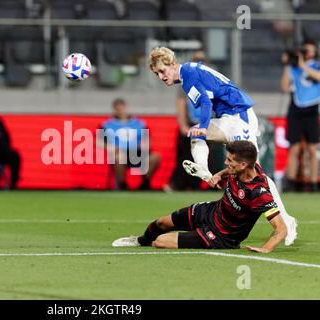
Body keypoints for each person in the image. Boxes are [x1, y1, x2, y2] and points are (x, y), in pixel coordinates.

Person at [148, 46, 298, 246]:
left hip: (240, 116)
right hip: (228, 117)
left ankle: (287, 222)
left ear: (172, 64)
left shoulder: (188, 74)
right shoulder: (188, 72)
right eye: (156, 73)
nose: (160, 76)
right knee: (195, 134)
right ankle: (204, 170)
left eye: (162, 71)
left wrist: (203, 126)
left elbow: (206, 103)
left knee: (254, 171)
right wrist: (201, 128)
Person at [112, 141, 287, 252]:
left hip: (221, 235)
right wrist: (219, 175)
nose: (226, 163)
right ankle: (140, 241)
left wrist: (265, 248)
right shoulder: (244, 166)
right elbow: (229, 170)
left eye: (230, 161)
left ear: (243, 165)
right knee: (161, 223)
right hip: (210, 211)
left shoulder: (258, 192)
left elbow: (281, 229)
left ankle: (158, 242)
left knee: (160, 242)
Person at [165, 51, 214, 191]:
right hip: (191, 123)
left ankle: (196, 185)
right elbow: (181, 103)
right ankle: (178, 184)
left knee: (204, 155)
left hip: (205, 124)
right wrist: (183, 125)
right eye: (197, 60)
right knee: (185, 155)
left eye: (202, 60)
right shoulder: (186, 81)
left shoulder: (208, 80)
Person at [280, 40, 320, 192]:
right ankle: (290, 182)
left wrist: (303, 65)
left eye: (308, 50)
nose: (306, 53)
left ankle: (313, 182)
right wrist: (288, 65)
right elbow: (284, 87)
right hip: (295, 112)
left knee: (312, 149)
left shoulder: (316, 65)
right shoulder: (293, 68)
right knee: (294, 148)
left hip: (311, 112)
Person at [100, 98, 161, 190]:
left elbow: (147, 138)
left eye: (122, 108)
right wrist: (111, 148)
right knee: (118, 158)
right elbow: (98, 141)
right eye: (118, 109)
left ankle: (144, 184)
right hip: (120, 153)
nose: (120, 111)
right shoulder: (107, 124)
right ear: (114, 110)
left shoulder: (138, 123)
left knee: (155, 157)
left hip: (138, 152)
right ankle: (122, 185)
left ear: (125, 108)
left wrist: (145, 146)